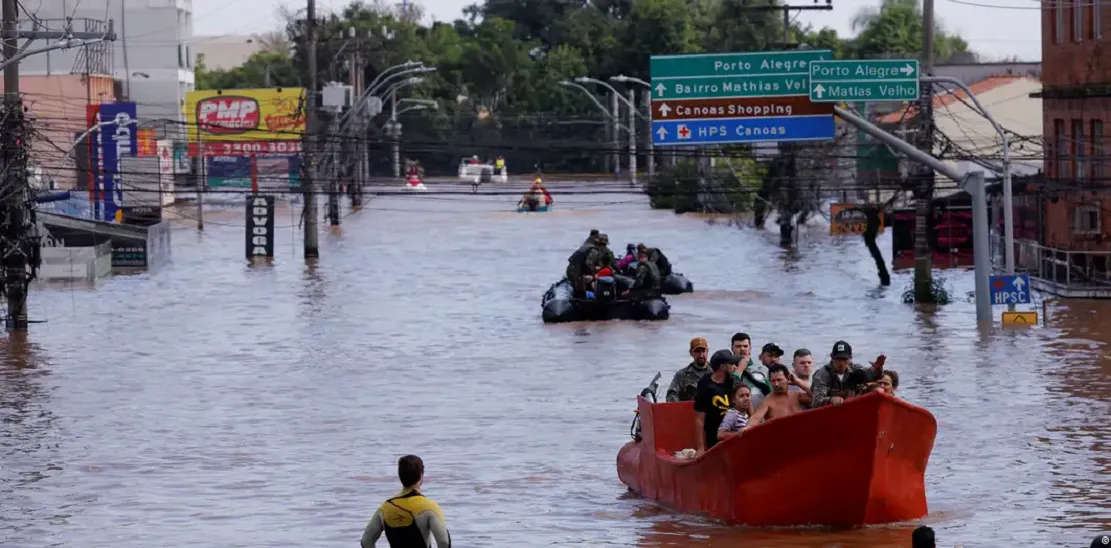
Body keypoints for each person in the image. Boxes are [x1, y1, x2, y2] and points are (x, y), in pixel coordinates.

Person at [361, 455, 451, 548]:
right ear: (421, 476)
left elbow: (366, 541)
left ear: (400, 476)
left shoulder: (385, 507)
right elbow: (444, 542)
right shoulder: (429, 507)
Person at [810, 340, 885, 408]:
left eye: (844, 359)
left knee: (876, 388)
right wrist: (831, 400)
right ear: (832, 357)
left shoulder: (855, 369)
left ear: (850, 358)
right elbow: (816, 402)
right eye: (838, 359)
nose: (841, 363)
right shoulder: (822, 374)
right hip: (829, 412)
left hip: (852, 409)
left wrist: (878, 369)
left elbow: (870, 375)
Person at [694, 349, 741, 453]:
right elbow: (699, 418)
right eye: (731, 364)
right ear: (723, 367)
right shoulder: (705, 385)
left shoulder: (734, 380)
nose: (735, 366)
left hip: (735, 429)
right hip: (714, 434)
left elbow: (747, 402)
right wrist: (700, 448)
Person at [744, 364, 805, 429]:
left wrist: (798, 382)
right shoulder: (768, 401)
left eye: (779, 380)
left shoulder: (797, 395)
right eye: (773, 381)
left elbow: (815, 397)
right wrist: (748, 427)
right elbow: (756, 418)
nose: (776, 384)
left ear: (788, 378)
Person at [730, 333, 771, 409]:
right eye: (738, 346)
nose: (742, 349)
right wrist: (740, 369)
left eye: (745, 346)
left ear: (750, 348)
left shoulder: (762, 369)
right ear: (732, 348)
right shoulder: (729, 370)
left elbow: (772, 393)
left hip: (762, 414)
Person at [666, 337, 710, 402]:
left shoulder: (716, 372)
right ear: (691, 353)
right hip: (687, 410)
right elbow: (671, 394)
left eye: (703, 351)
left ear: (707, 351)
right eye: (697, 351)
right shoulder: (681, 375)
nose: (701, 355)